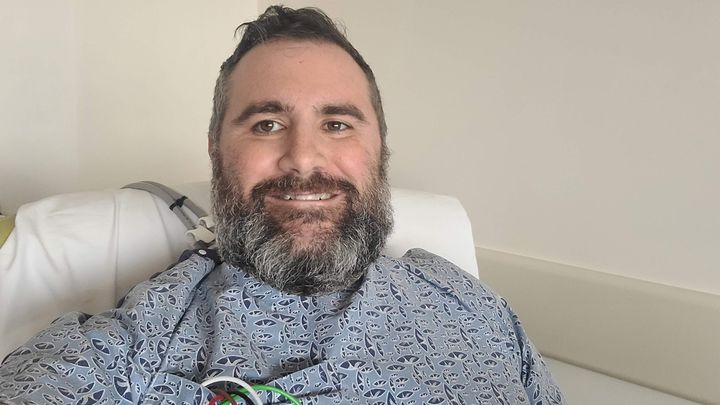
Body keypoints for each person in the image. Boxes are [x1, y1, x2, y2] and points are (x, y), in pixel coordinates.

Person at [0, 6, 564, 404]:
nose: (303, 158)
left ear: (381, 150)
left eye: (337, 124)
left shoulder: (473, 307)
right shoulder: (133, 344)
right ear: (216, 151)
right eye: (267, 124)